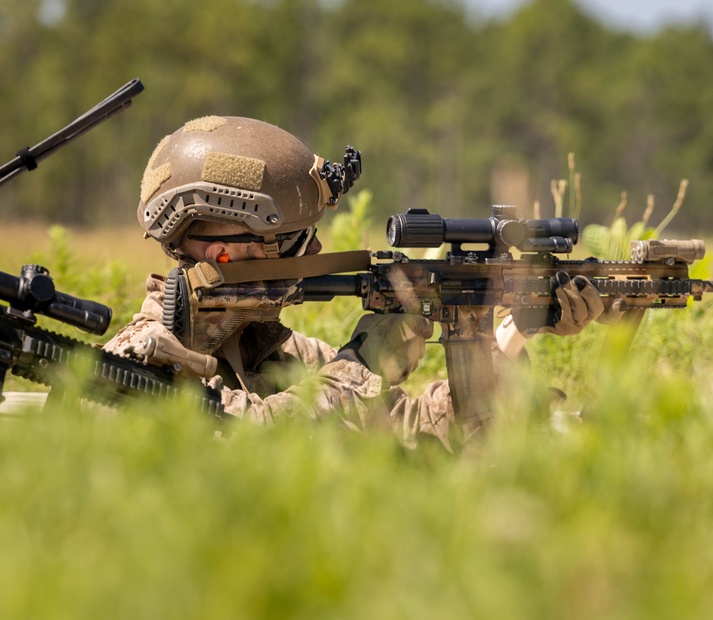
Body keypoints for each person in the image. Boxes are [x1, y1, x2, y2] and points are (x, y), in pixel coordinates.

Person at [104, 115, 606, 449]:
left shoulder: (274, 350)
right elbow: (248, 445)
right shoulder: (135, 365)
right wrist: (364, 367)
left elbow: (415, 427)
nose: (317, 254)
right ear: (224, 255)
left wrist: (504, 339)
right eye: (296, 241)